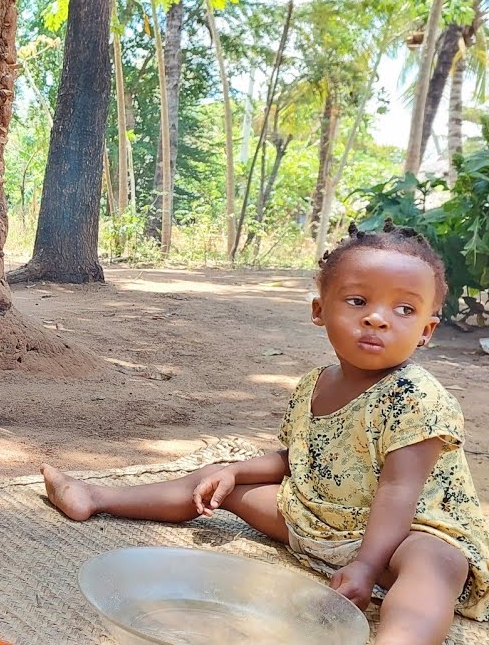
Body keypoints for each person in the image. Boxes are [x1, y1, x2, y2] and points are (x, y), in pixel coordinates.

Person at [41, 222, 489, 644]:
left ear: (427, 330)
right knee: (214, 486)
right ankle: (96, 496)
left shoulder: (418, 397)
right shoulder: (315, 384)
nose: (377, 318)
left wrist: (367, 566)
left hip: (405, 534)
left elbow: (399, 491)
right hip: (323, 520)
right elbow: (299, 458)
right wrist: (234, 471)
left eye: (404, 309)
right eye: (357, 302)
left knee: (436, 565)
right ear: (319, 310)